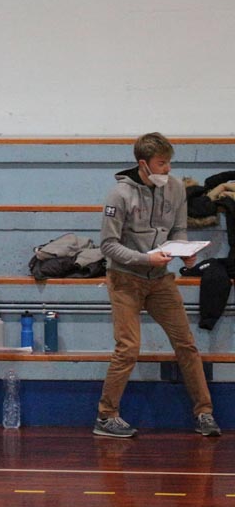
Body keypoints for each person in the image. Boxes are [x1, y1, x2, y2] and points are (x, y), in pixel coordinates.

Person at [94, 132, 221, 438]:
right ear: (143, 164)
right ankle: (106, 416)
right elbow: (108, 245)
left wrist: (184, 252)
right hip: (125, 280)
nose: (167, 169)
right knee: (128, 348)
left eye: (169, 162)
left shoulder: (175, 188)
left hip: (161, 280)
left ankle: (204, 413)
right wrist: (144, 259)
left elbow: (178, 229)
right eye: (161, 163)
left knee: (186, 344)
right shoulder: (119, 195)